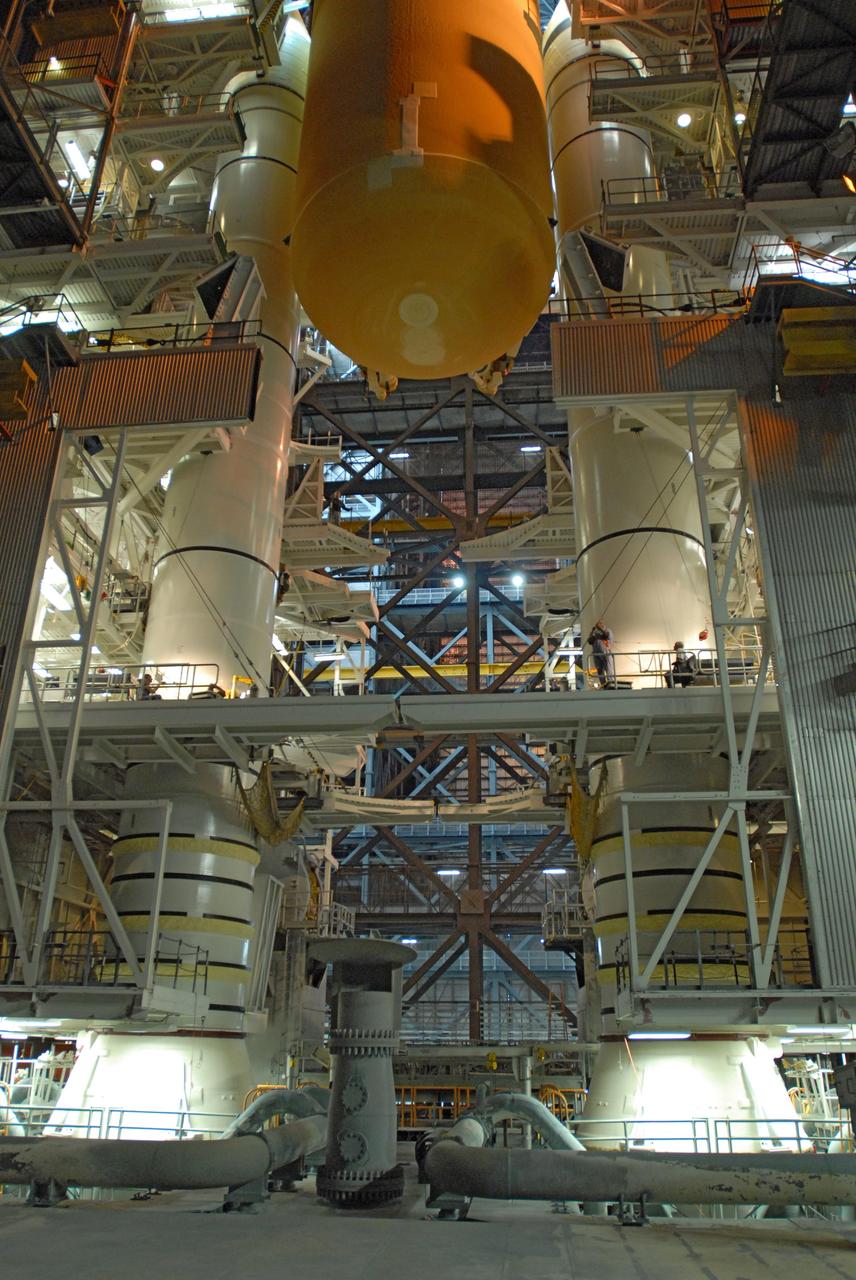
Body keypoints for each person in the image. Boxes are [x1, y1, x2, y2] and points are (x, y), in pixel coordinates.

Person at [587, 618, 615, 689]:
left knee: (608, 669)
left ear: (602, 624)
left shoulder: (607, 630)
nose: (598, 624)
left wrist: (600, 629)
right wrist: (592, 633)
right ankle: (603, 684)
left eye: (600, 623)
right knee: (599, 670)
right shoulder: (595, 633)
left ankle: (611, 683)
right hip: (596, 654)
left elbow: (606, 636)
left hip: (606, 652)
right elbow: (590, 641)